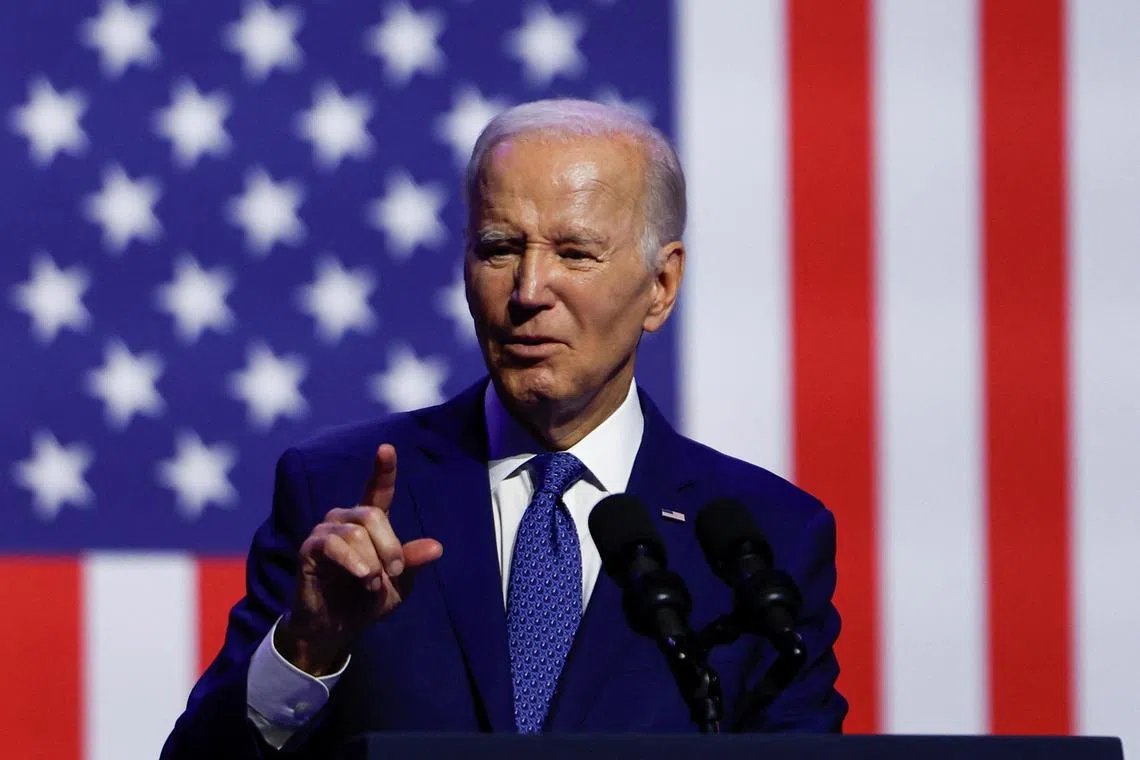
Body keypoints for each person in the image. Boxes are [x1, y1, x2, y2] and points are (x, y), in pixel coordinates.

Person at [161, 98, 847, 758]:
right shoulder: (336, 491)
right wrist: (308, 649)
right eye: (499, 249)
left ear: (661, 286)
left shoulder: (769, 541)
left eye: (574, 253)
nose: (528, 291)